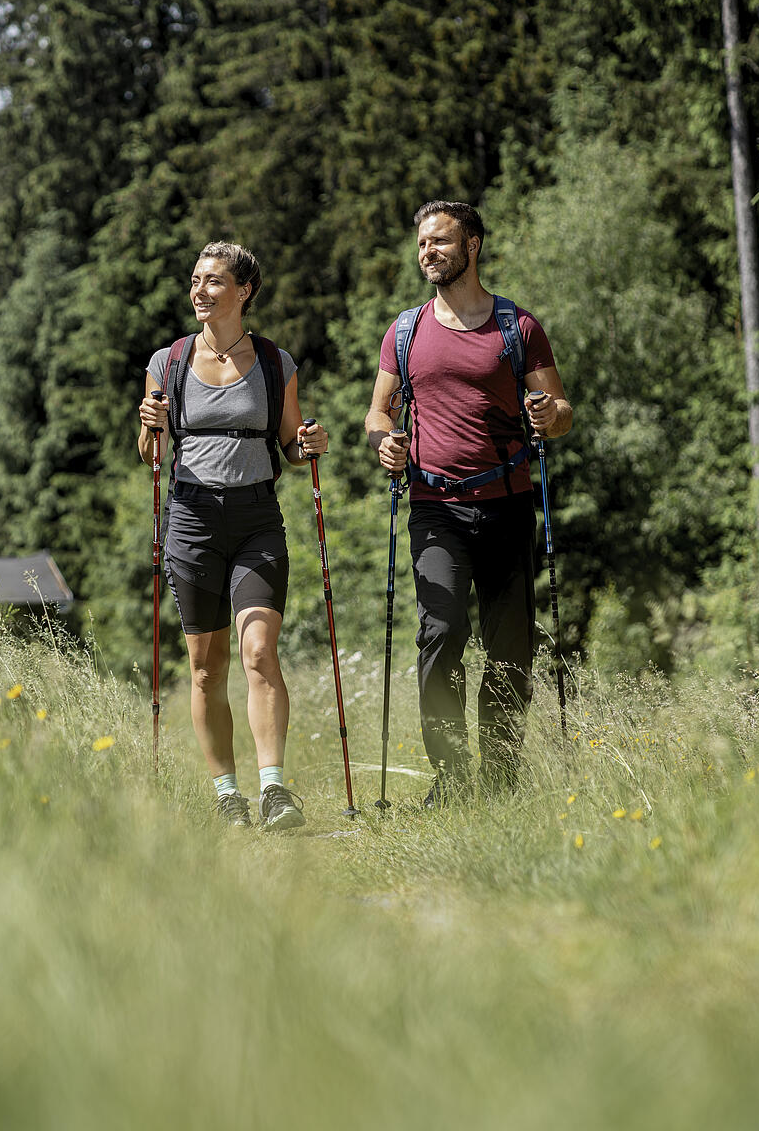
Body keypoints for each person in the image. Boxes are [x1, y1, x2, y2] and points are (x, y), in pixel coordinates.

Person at [363, 201, 573, 802]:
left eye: (441, 242)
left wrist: (547, 414)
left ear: (472, 246)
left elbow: (561, 412)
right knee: (440, 630)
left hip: (506, 503)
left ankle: (502, 777)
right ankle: (452, 778)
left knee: (510, 649)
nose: (428, 251)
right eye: (423, 243)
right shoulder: (405, 331)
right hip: (435, 508)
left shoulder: (517, 327)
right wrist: (385, 443)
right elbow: (378, 412)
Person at [138, 242, 329, 831]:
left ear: (243, 291)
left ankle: (273, 789)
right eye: (195, 280)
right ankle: (227, 793)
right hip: (192, 519)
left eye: (213, 281)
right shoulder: (165, 362)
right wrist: (150, 428)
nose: (199, 290)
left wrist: (309, 444)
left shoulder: (275, 363)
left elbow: (293, 446)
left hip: (256, 520)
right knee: (205, 667)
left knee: (259, 652)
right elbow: (150, 454)